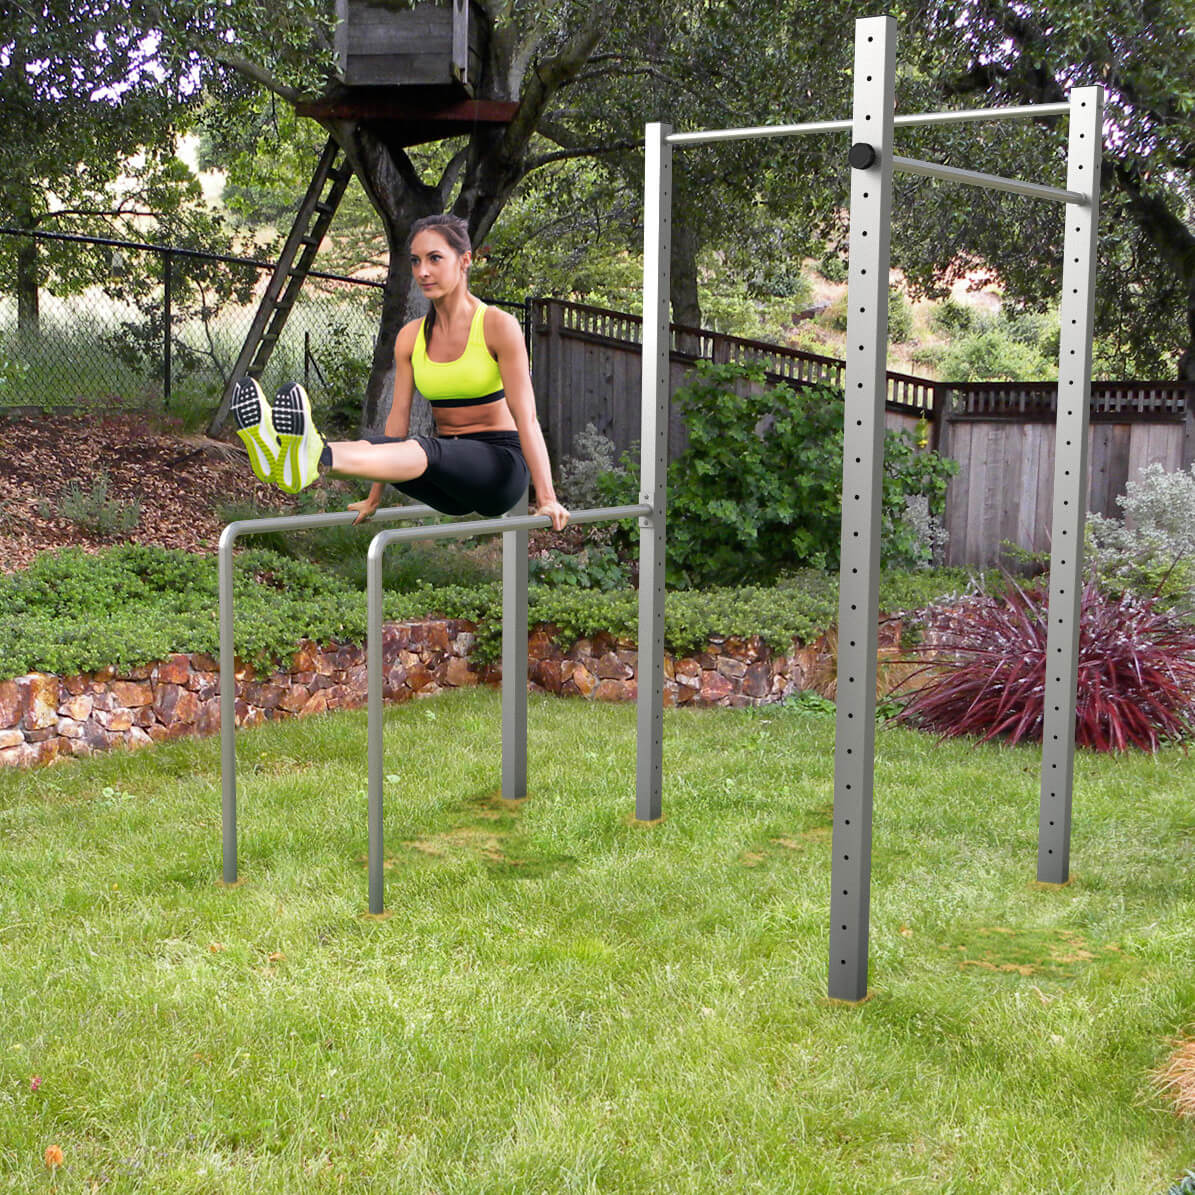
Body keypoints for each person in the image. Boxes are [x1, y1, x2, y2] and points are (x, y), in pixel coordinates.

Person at [232, 212, 570, 531]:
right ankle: (291, 457)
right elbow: (396, 425)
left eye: (435, 258)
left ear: (464, 260)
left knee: (425, 448)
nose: (422, 271)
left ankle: (313, 454)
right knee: (381, 445)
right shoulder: (411, 337)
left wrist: (547, 499)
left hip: (501, 470)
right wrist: (374, 497)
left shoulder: (498, 325)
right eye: (416, 260)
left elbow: (526, 418)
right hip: (447, 478)